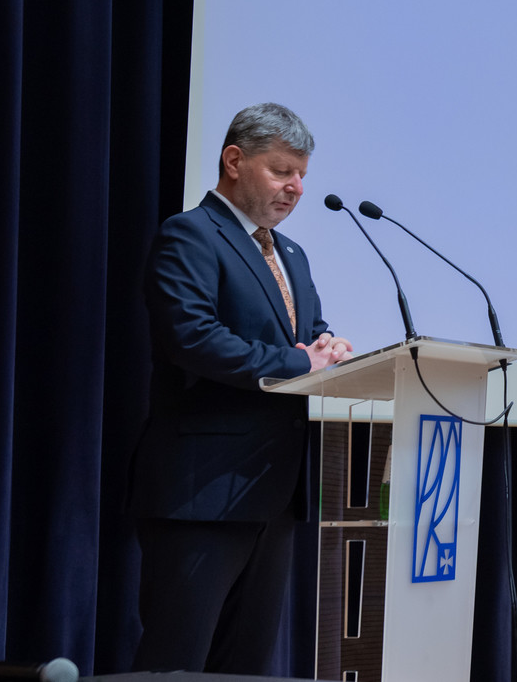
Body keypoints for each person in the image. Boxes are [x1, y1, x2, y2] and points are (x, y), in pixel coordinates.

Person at [129, 102, 353, 673]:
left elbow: (309, 334)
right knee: (175, 664)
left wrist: (329, 349)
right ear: (234, 161)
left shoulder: (291, 254)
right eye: (282, 171)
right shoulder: (190, 235)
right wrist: (298, 361)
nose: (296, 187)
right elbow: (193, 338)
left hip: (273, 492)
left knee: (246, 666)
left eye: (302, 174)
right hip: (204, 491)